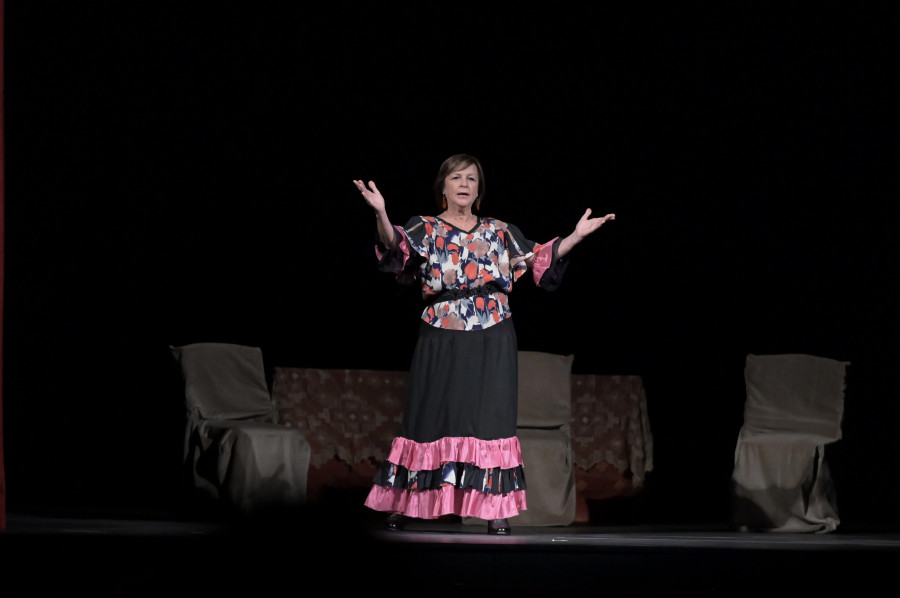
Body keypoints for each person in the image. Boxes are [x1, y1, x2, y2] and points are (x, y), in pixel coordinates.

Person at [353, 153, 615, 535]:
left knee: (490, 420)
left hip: (492, 333)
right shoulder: (424, 228)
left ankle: (495, 507)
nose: (464, 184)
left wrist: (575, 236)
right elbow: (397, 249)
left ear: (479, 190)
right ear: (443, 186)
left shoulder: (499, 230)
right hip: (440, 334)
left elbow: (537, 259)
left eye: (472, 179)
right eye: (456, 177)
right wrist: (380, 212)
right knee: (428, 417)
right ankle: (409, 501)